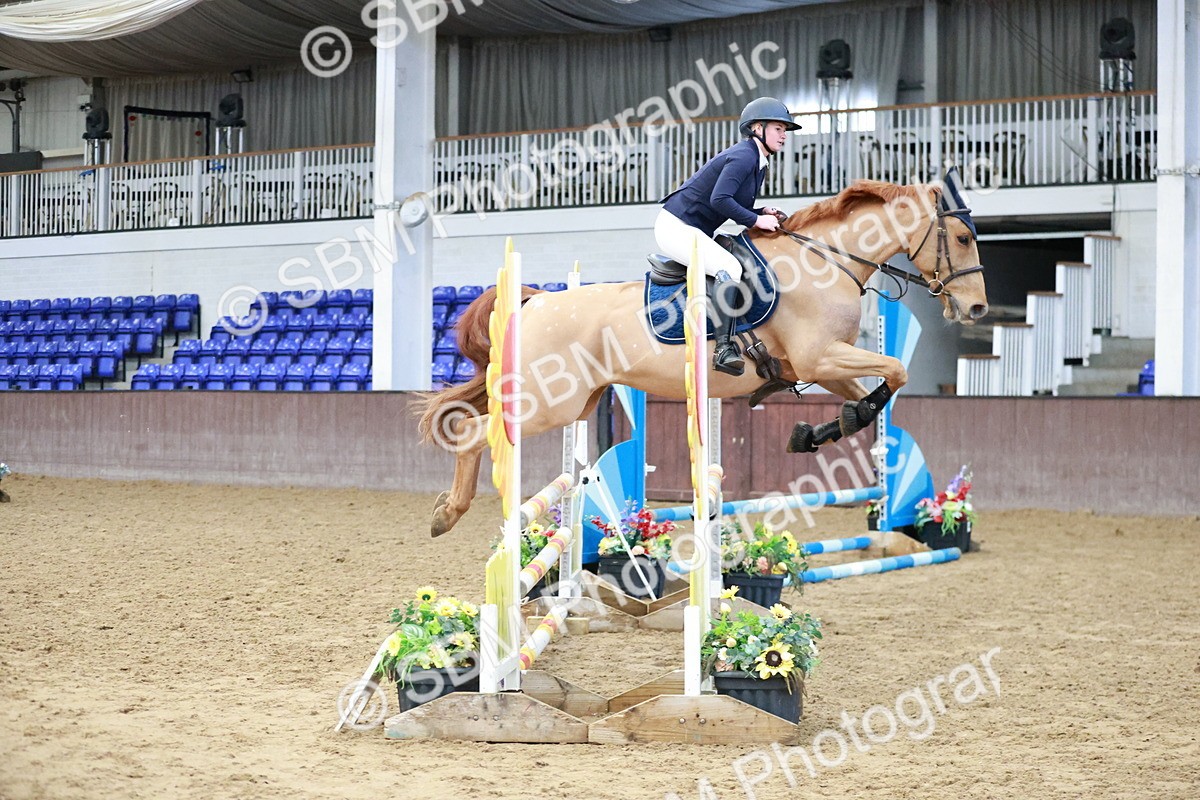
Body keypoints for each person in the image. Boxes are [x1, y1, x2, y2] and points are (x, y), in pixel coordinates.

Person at [657, 96, 800, 376]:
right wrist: (757, 219)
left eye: (785, 130)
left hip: (695, 228)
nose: (784, 135)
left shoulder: (757, 160)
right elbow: (720, 199)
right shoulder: (745, 156)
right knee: (731, 267)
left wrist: (760, 210)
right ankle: (723, 349)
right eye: (779, 129)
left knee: (738, 258)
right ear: (757, 127)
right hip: (676, 227)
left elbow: (733, 203)